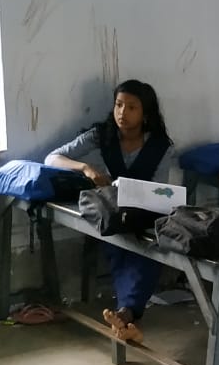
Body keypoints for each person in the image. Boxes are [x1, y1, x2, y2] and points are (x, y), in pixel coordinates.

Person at [45, 79, 173, 342]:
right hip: (113, 211)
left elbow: (160, 191)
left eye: (132, 107)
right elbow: (52, 158)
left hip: (145, 214)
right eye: (118, 105)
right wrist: (86, 168)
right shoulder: (101, 135)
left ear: (146, 114)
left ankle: (126, 313)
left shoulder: (160, 146)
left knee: (149, 251)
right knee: (117, 246)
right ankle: (128, 314)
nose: (122, 113)